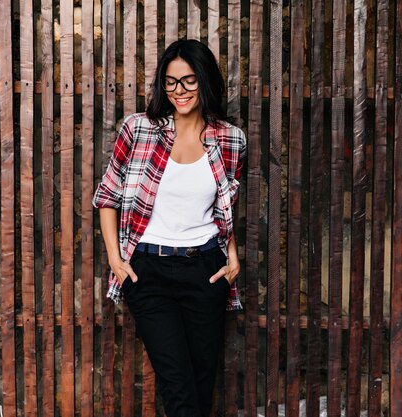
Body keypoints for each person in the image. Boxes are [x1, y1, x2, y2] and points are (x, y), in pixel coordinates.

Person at [93, 39, 246, 417]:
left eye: (189, 81)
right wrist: (116, 258)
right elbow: (108, 196)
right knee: (178, 387)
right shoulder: (138, 129)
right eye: (171, 82)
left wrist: (232, 256)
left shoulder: (231, 140)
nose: (179, 91)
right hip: (148, 271)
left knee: (200, 384)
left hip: (206, 271)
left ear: (206, 81)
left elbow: (223, 209)